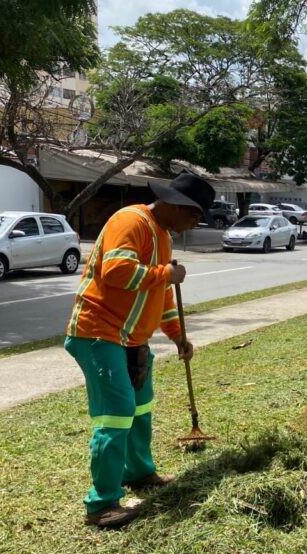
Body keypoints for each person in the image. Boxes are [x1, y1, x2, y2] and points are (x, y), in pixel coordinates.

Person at [64, 172, 212, 529]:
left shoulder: (162, 236)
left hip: (132, 338)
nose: (195, 224)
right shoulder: (131, 221)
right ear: (178, 206)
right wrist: (164, 273)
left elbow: (160, 297)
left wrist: (178, 336)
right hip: (99, 333)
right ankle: (101, 503)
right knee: (116, 414)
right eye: (194, 216)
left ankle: (139, 471)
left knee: (141, 406)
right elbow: (115, 271)